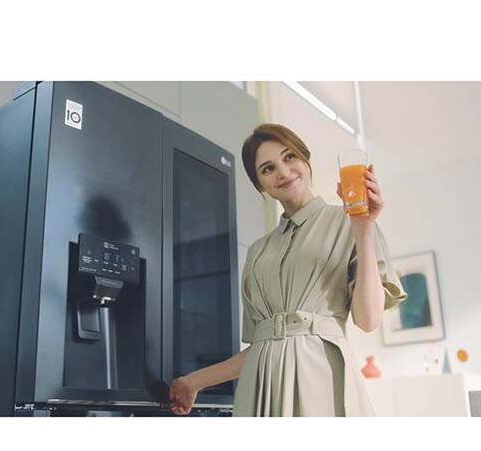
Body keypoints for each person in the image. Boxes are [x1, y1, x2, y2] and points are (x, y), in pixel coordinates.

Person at [167, 123, 407, 416]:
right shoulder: (258, 252)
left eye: (289, 156)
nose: (283, 171)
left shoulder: (351, 223)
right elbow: (262, 343)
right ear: (260, 185)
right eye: (268, 168)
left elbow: (368, 319)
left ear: (305, 159)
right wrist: (194, 381)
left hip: (320, 381)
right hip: (261, 391)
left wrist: (363, 227)